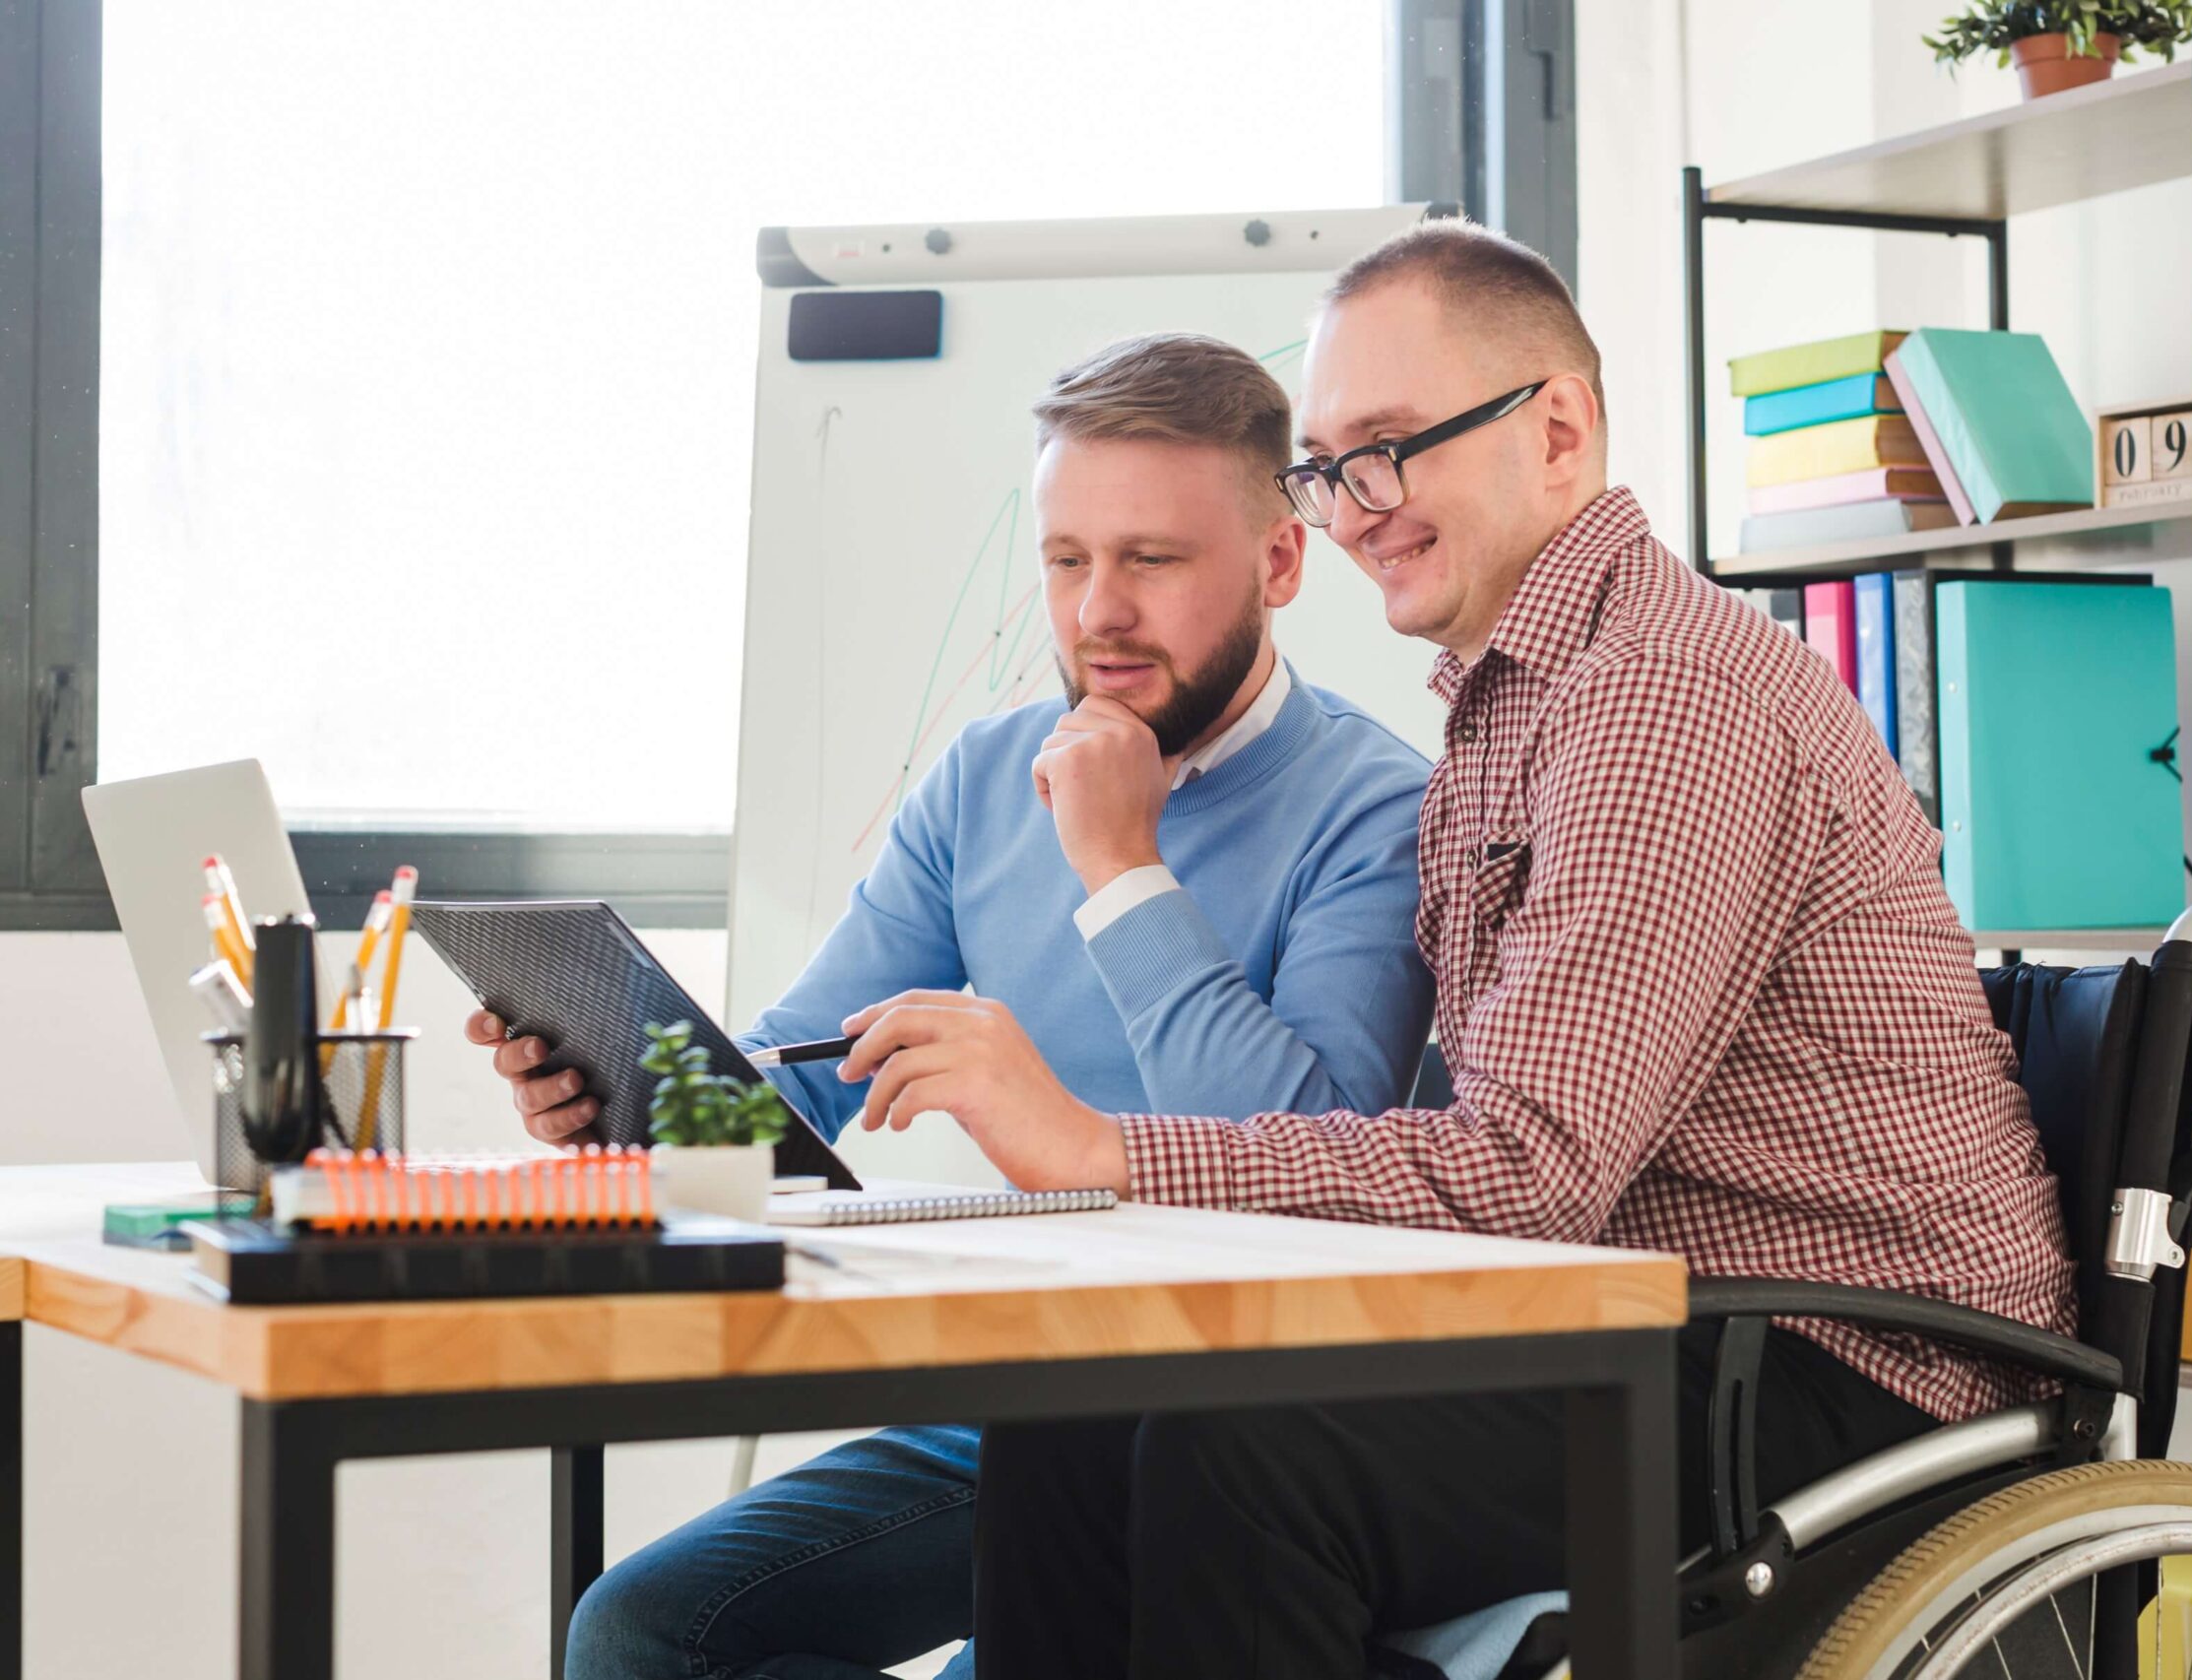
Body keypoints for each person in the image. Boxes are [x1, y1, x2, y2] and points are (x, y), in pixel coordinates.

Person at [838, 221, 2079, 1680]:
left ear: (1555, 432)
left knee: (1250, 1456)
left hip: (1843, 1364)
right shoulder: (1510, 709)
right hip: (1639, 1315)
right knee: (1080, 1409)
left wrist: (1104, 1147)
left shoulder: (1661, 703)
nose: (1357, 507)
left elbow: (1524, 1168)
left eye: (1391, 448)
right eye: (1328, 463)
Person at [468, 331, 1437, 1680]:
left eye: (1151, 560)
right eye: (1065, 559)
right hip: (1024, 1397)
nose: (1098, 609)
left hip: (1234, 1435)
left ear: (1280, 563)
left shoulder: (1379, 808)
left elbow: (1320, 1148)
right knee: (641, 1635)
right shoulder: (985, 777)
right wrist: (613, 1104)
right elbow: (789, 1082)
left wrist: (1119, 865)